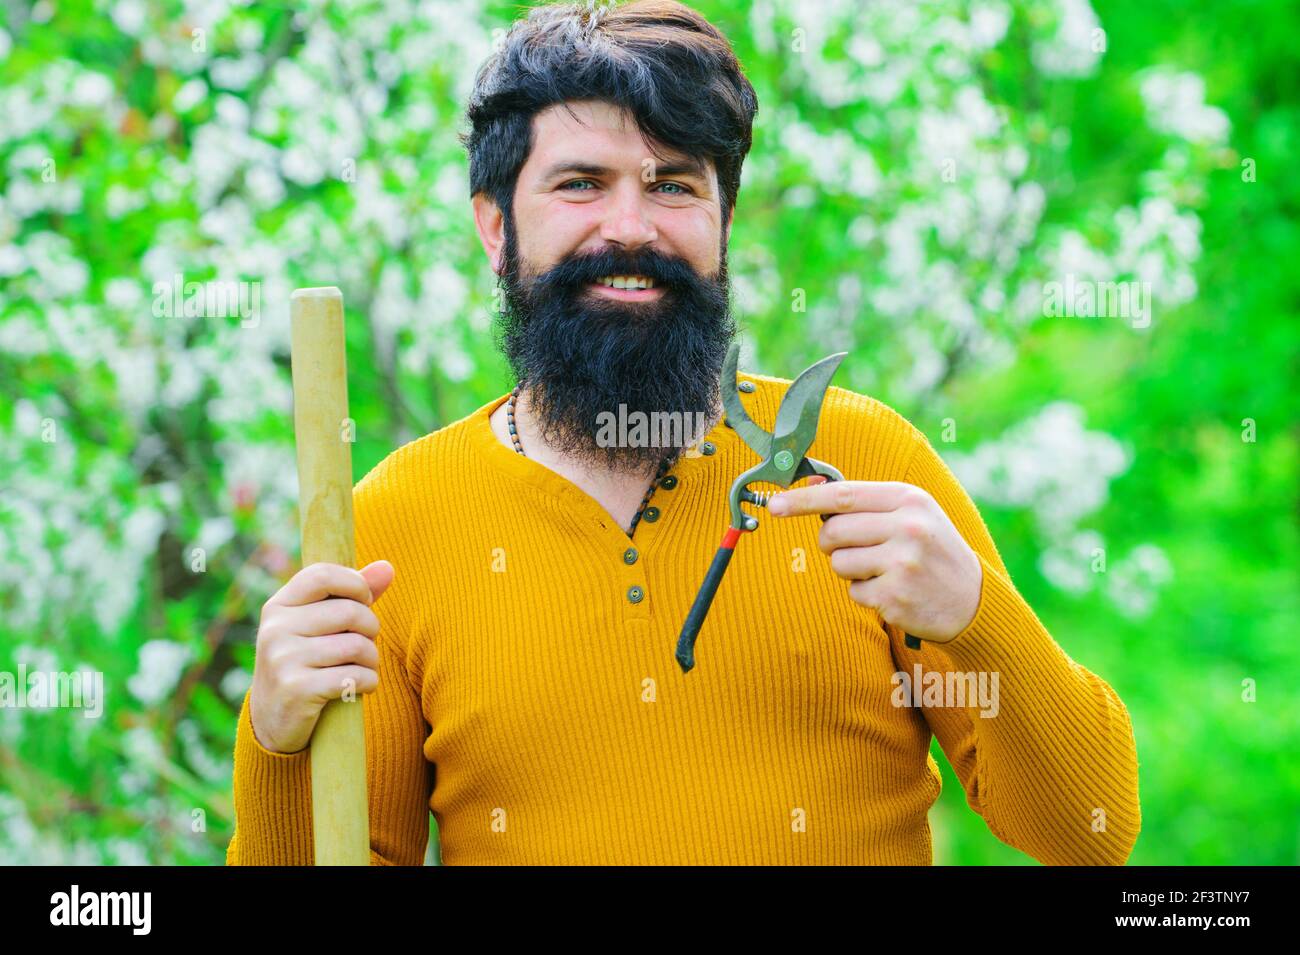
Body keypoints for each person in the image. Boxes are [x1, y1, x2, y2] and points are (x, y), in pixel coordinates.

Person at [227, 0, 1140, 865]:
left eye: (674, 185)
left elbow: (1089, 834)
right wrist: (275, 737)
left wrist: (977, 619)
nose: (632, 227)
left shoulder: (866, 464)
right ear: (496, 228)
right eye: (581, 184)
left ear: (723, 220)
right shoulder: (395, 527)